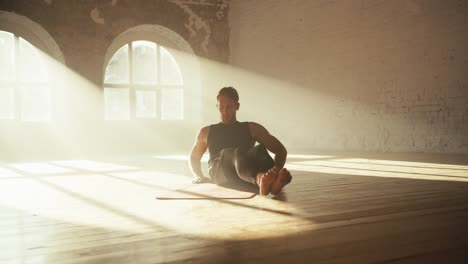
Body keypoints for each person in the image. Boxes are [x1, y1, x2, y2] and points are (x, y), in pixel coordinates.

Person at [189, 86, 292, 195]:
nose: (224, 111)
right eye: (221, 107)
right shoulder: (206, 132)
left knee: (259, 151)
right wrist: (198, 175)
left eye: (228, 107)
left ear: (237, 106)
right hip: (220, 173)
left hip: (244, 173)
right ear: (217, 106)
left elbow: (280, 150)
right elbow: (194, 156)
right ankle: (260, 179)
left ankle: (274, 184)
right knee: (231, 153)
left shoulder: (252, 128)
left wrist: (276, 170)